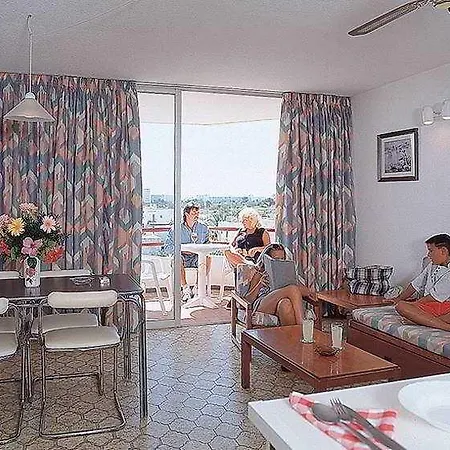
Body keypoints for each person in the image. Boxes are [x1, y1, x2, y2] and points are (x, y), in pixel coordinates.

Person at [244, 243, 314, 326]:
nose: (280, 262)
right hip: (263, 305)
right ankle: (302, 327)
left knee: (285, 304)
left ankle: (291, 334)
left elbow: (306, 292)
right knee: (292, 289)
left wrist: (294, 287)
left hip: (280, 303)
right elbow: (248, 300)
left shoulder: (287, 273)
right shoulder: (259, 274)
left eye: (282, 259)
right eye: (276, 259)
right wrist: (259, 285)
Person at [394, 233, 450, 331]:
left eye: (431, 251)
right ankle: (426, 321)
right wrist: (398, 298)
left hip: (444, 306)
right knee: (402, 305)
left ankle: (445, 327)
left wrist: (414, 304)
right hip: (432, 306)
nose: (428, 255)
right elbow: (416, 284)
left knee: (402, 306)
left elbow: (434, 297)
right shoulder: (431, 265)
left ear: (443, 251)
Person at [165, 204, 211, 302]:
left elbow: (207, 244)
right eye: (194, 213)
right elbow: (167, 247)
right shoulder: (176, 228)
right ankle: (185, 289)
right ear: (186, 214)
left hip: (197, 256)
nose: (197, 215)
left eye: (198, 213)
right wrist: (182, 250)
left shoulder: (203, 228)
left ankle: (197, 288)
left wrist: (201, 250)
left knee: (208, 258)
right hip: (182, 256)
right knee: (177, 259)